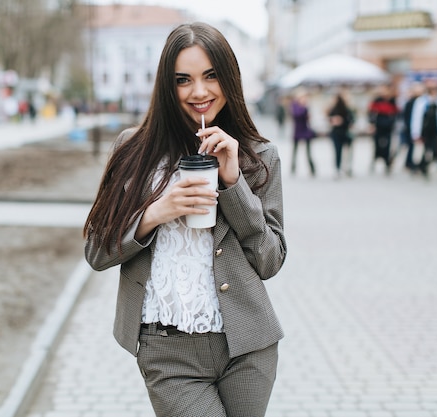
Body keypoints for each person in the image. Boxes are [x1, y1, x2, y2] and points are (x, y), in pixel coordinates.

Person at [83, 22, 286, 417]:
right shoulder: (133, 150)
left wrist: (233, 182)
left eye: (211, 76)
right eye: (183, 79)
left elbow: (270, 261)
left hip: (248, 346)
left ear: (229, 79)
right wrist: (156, 212)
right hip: (167, 352)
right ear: (166, 86)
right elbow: (96, 250)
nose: (199, 92)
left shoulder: (260, 156)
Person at [410, 78, 437, 179]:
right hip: (425, 131)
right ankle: (420, 167)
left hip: (435, 130)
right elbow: (416, 118)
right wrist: (415, 133)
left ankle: (423, 167)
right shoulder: (421, 102)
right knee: (423, 150)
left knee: (434, 150)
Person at [367, 84, 398, 174]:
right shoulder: (377, 101)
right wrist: (372, 124)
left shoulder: (392, 101)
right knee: (377, 144)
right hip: (378, 126)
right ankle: (375, 160)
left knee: (387, 146)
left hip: (388, 127)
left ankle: (387, 163)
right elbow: (371, 113)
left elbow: (396, 113)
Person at [396, 82, 424, 172]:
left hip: (415, 127)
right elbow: (406, 116)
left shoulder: (421, 101)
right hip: (409, 128)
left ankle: (411, 162)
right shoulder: (411, 102)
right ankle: (409, 163)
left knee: (412, 147)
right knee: (409, 146)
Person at [327, 92, 354, 178]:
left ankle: (346, 167)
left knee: (346, 152)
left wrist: (342, 121)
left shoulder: (347, 110)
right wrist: (333, 121)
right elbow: (329, 120)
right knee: (338, 151)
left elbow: (351, 121)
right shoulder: (333, 109)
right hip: (336, 133)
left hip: (344, 133)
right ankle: (338, 168)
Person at [290, 89, 316, 176]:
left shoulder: (305, 106)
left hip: (305, 130)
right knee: (295, 151)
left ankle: (312, 168)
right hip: (297, 130)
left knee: (308, 152)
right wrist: (303, 107)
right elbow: (297, 115)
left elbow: (308, 118)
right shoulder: (295, 105)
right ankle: (293, 168)